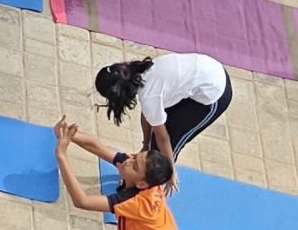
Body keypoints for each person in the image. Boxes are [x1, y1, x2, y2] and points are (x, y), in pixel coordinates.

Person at [94, 50, 232, 161]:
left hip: (215, 94)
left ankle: (156, 183)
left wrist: (170, 171)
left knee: (166, 147)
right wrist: (145, 145)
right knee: (155, 145)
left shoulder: (149, 96)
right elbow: (148, 115)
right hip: (210, 69)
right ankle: (151, 169)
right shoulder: (142, 72)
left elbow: (163, 138)